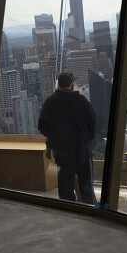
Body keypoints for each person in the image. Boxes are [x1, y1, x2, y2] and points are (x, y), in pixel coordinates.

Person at [38, 72, 97, 204]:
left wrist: (55, 138)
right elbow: (92, 122)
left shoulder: (50, 102)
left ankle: (69, 212)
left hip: (62, 153)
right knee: (86, 186)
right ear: (71, 84)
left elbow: (42, 126)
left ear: (58, 84)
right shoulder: (81, 101)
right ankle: (90, 210)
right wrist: (87, 140)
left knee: (65, 189)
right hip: (82, 151)